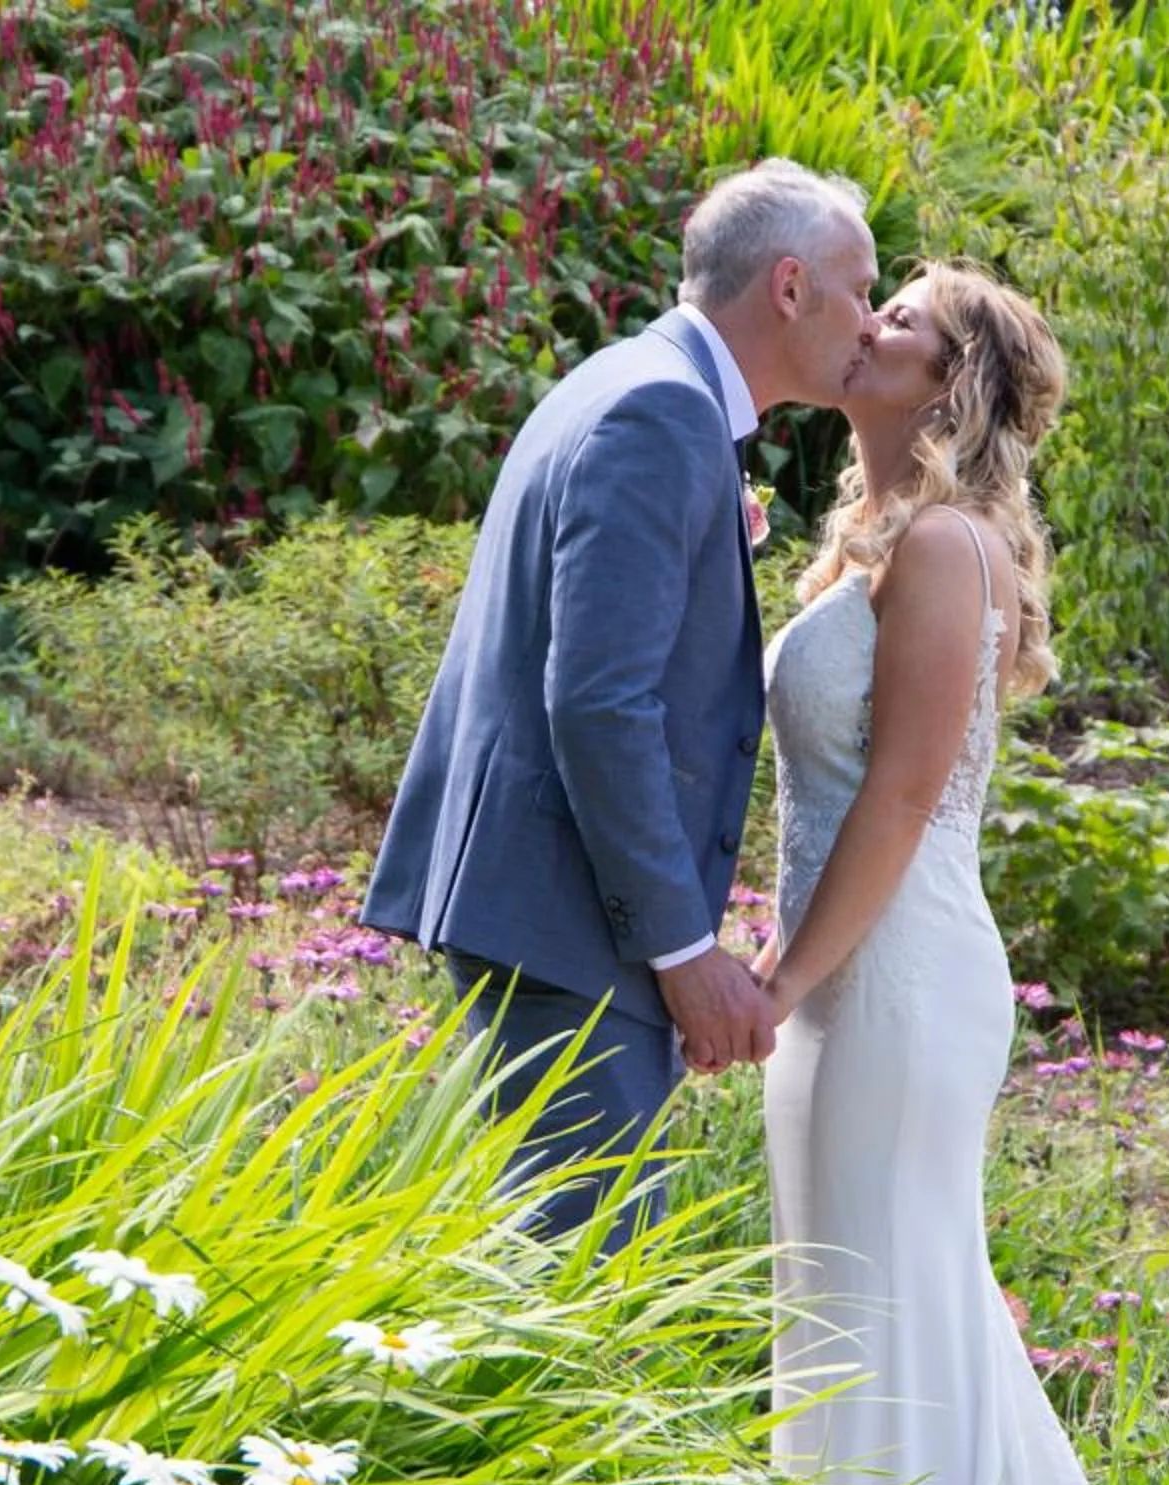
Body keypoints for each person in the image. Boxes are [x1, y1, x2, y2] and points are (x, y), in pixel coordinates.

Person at [363, 160, 878, 1243]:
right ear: (791, 287)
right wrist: (685, 955)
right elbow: (600, 704)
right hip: (567, 924)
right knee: (576, 1290)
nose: (870, 324)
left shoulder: (631, 382)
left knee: (558, 1272)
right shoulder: (659, 412)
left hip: (550, 912)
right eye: (861, 289)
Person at [757, 262, 1145, 1485]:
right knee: (864, 1299)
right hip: (848, 977)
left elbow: (907, 793)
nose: (868, 326)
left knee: (882, 1305)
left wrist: (786, 972)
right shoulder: (885, 537)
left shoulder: (940, 549)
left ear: (952, 378)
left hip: (890, 983)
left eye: (902, 317)